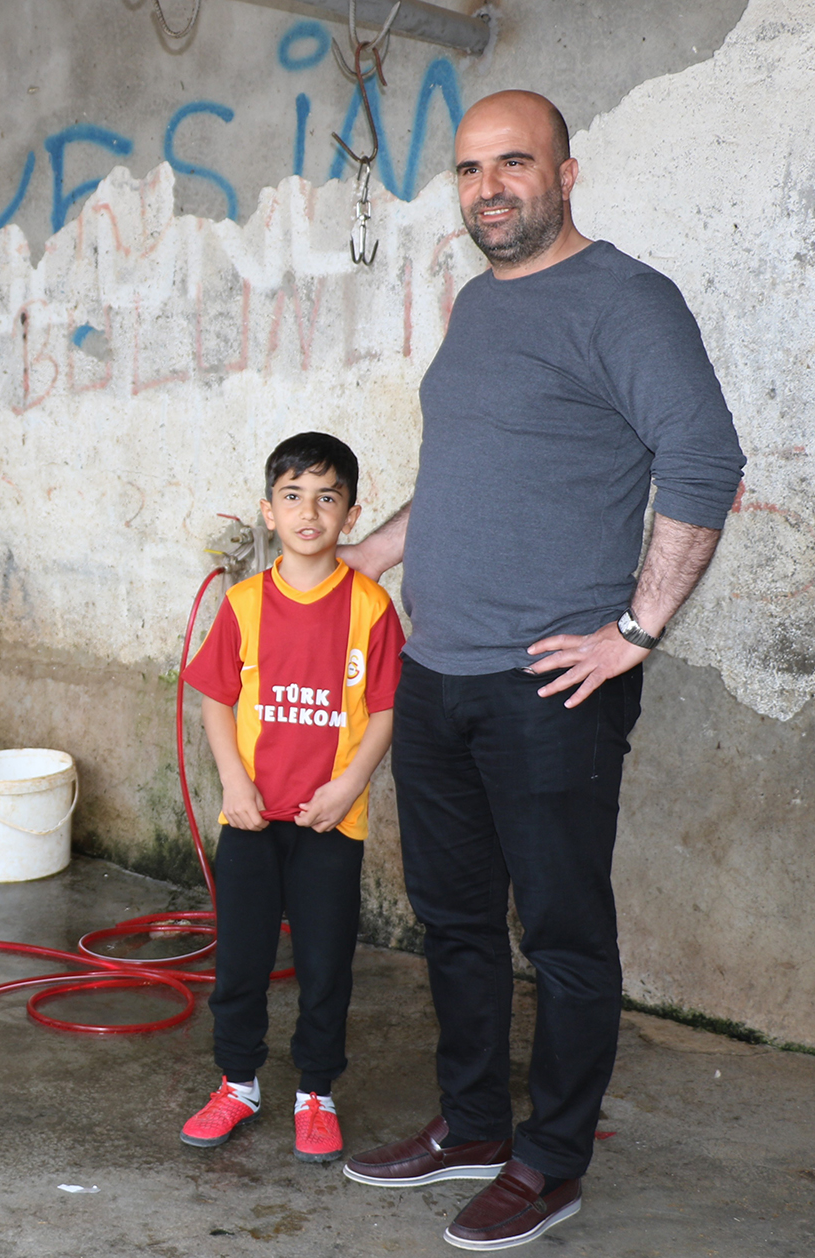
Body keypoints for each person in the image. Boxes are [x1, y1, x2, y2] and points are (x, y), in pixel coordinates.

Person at [334, 91, 745, 1249]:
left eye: (512, 164)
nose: (488, 189)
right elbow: (471, 466)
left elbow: (702, 459)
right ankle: (470, 1124)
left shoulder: (624, 299)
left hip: (549, 687)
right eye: (469, 171)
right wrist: (375, 549)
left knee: (561, 933)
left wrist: (635, 629)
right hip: (434, 672)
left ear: (567, 173)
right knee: (452, 921)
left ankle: (549, 1158)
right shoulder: (476, 304)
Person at [177, 432, 404, 1165]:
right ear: (269, 512)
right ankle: (237, 1083)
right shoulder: (244, 605)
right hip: (250, 818)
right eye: (293, 496)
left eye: (327, 497)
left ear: (351, 514)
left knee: (326, 961)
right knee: (240, 960)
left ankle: (316, 1093)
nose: (310, 511)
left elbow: (385, 710)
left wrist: (349, 786)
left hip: (330, 822)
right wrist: (234, 785)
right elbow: (216, 700)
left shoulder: (371, 608)